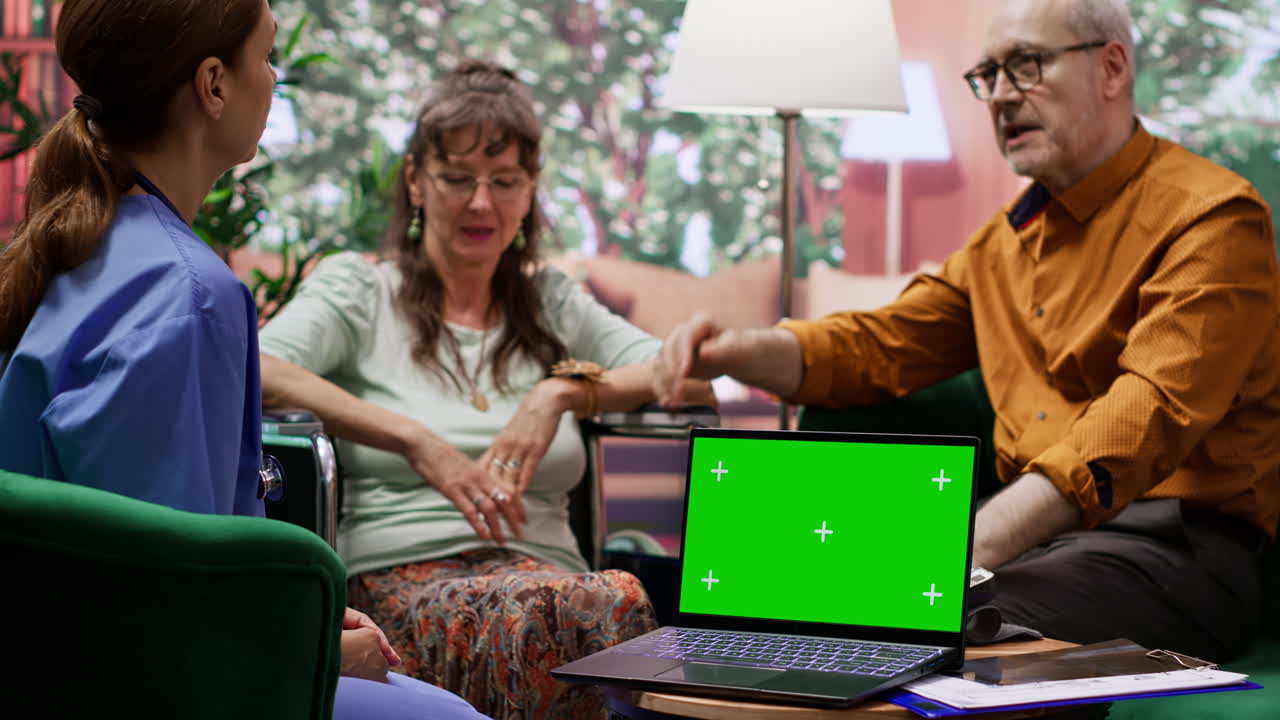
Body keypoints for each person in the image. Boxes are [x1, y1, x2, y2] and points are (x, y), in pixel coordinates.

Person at [653, 0, 1279, 663]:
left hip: (1173, 550)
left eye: (1027, 65)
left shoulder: (1212, 218)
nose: (1002, 95)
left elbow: (1143, 417)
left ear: (1112, 67)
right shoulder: (1002, 245)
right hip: (1040, 546)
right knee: (783, 599)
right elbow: (880, 344)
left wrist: (952, 550)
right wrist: (739, 350)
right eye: (989, 74)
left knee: (920, 615)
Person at [0, 2, 488, 718]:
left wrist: (296, 616)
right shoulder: (188, 294)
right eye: (265, 57)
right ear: (213, 85)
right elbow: (166, 611)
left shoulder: (67, 251)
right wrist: (313, 648)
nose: (274, 78)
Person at [257, 60, 709, 719]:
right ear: (416, 180)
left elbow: (682, 372)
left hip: (546, 577)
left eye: (504, 181)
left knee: (591, 602)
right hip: (399, 587)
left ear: (529, 192)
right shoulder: (361, 291)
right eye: (457, 178)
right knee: (597, 603)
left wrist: (560, 392)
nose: (480, 203)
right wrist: (413, 439)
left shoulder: (552, 302)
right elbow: (257, 365)